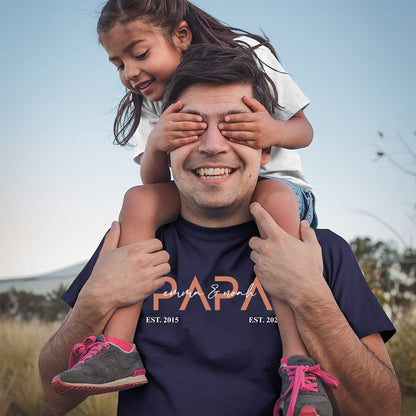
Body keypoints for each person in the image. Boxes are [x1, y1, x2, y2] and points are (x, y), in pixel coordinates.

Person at [39, 44, 401, 416]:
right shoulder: (131, 245)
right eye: (190, 128)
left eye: (235, 127)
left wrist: (310, 295)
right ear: (167, 147)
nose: (212, 146)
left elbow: (383, 410)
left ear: (265, 151)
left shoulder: (320, 252)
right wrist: (94, 300)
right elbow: (53, 399)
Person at [51, 1, 319, 411]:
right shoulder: (155, 99)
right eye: (117, 64)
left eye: (139, 54)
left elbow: (303, 129)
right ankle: (118, 349)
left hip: (275, 186)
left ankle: (298, 366)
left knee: (276, 198)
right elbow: (155, 182)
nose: (130, 72)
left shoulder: (248, 53)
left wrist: (272, 129)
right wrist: (159, 140)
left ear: (180, 35)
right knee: (137, 200)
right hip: (203, 189)